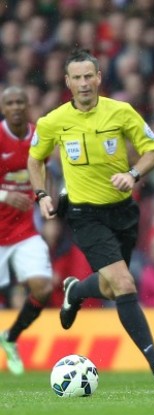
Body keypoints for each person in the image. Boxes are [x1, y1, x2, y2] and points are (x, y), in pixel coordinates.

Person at [26, 49, 154, 384]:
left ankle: (76, 292)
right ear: (67, 82)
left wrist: (133, 175)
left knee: (112, 288)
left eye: (88, 76)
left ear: (99, 78)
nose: (83, 83)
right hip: (83, 214)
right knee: (125, 282)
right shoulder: (53, 121)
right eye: (76, 78)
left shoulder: (121, 112)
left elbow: (153, 152)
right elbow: (34, 159)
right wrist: (40, 195)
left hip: (123, 211)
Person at [0, 86, 53, 375]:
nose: (17, 106)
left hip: (23, 230)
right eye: (10, 103)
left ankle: (10, 337)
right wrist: (5, 196)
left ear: (27, 104)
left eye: (21, 101)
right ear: (4, 108)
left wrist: (49, 204)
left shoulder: (38, 136)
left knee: (43, 289)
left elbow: (45, 173)